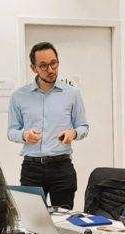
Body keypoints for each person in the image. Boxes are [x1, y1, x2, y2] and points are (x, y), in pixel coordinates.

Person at [7, 41, 89, 210]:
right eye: (43, 66)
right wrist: (24, 135)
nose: (50, 70)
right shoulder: (19, 96)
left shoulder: (72, 94)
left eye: (53, 63)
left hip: (62, 167)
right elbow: (11, 131)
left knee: (64, 220)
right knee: (33, 221)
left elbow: (83, 126)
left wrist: (73, 133)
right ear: (33, 68)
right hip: (32, 168)